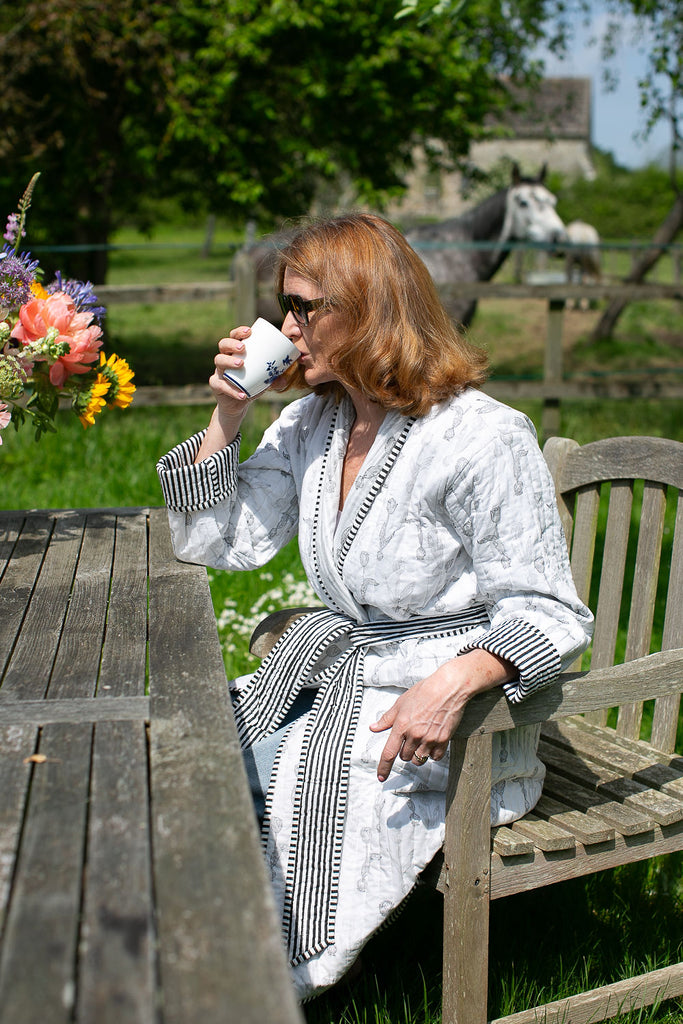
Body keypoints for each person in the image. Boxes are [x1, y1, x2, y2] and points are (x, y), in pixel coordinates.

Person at [157, 212, 593, 999]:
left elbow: (551, 612)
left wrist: (457, 681)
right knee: (191, 763)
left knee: (255, 783)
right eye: (283, 307)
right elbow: (217, 542)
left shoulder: (480, 438)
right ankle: (184, 964)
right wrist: (228, 411)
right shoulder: (312, 423)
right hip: (348, 680)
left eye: (302, 307)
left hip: (453, 727)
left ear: (366, 308)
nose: (285, 327)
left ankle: (241, 988)